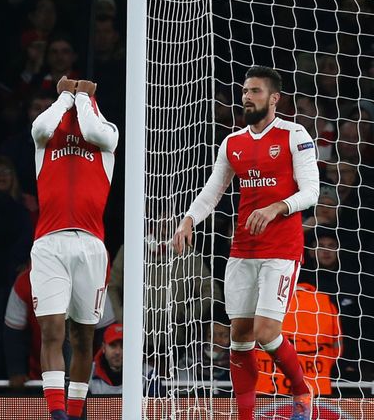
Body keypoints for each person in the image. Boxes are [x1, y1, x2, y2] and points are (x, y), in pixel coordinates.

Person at [173, 66, 319, 420]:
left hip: (281, 249)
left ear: (273, 98)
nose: (246, 97)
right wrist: (190, 218)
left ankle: (302, 390)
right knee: (239, 337)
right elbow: (213, 190)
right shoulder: (232, 142)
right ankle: (245, 416)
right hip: (242, 250)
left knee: (266, 332)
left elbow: (311, 191)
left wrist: (277, 206)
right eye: (244, 91)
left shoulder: (293, 134)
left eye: (254, 91)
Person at [30, 76, 118, 420]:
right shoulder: (46, 138)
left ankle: (76, 412)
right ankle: (56, 414)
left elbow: (96, 133)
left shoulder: (105, 134)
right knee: (52, 331)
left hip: (91, 246)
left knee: (82, 337)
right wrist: (67, 96)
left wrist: (82, 99)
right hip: (49, 244)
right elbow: (39, 127)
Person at [89, 324, 159, 396]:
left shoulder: (149, 374)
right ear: (103, 348)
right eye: (113, 345)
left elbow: (157, 406)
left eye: (123, 346)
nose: (117, 352)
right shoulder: (88, 373)